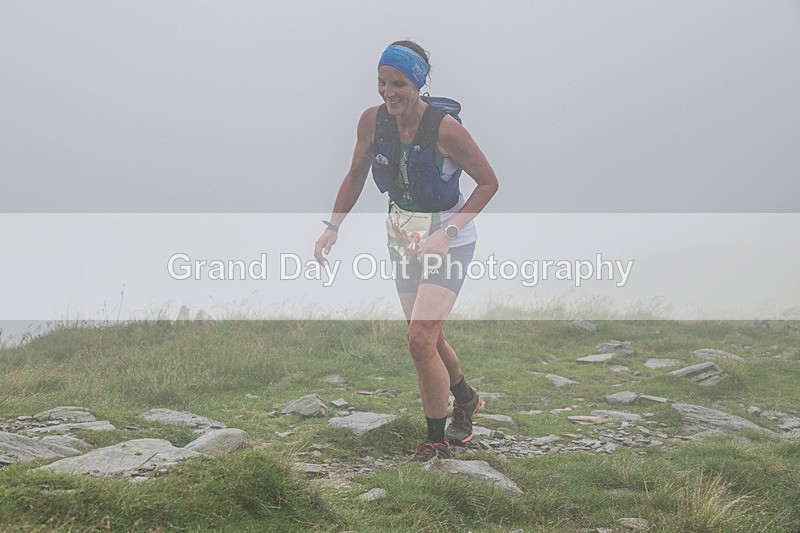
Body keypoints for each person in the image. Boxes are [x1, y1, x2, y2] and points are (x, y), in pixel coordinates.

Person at [314, 40, 498, 462]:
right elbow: (357, 173)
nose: (388, 92)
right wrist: (332, 227)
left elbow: (489, 183)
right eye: (381, 82)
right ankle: (466, 399)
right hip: (403, 236)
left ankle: (436, 439)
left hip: (448, 238)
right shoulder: (372, 122)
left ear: (417, 83)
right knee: (429, 334)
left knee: (419, 338)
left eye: (398, 83)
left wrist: (449, 231)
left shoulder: (445, 129)